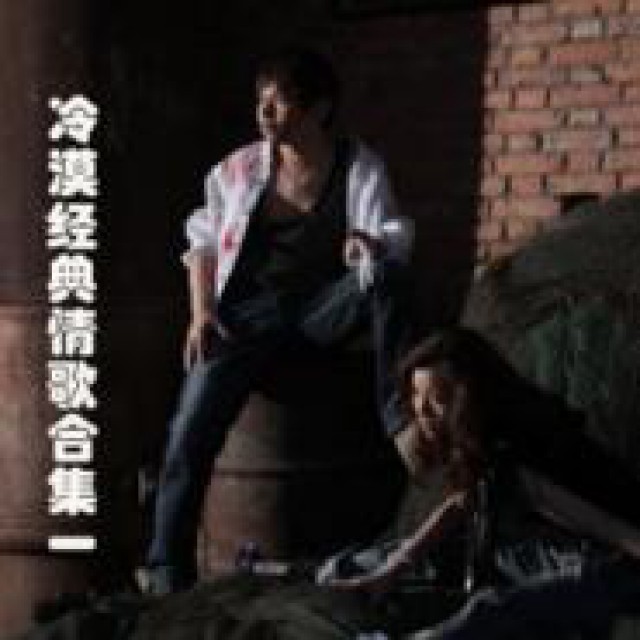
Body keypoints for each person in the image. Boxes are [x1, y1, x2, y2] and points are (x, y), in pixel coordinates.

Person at [141, 47, 414, 595]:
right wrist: (201, 312)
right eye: (260, 100)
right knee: (188, 433)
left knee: (388, 276)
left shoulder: (358, 166)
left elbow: (392, 236)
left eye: (280, 100)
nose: (265, 112)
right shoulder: (238, 169)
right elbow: (200, 241)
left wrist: (366, 244)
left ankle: (398, 415)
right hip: (244, 319)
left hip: (321, 313)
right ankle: (166, 568)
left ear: (319, 109)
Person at [325, 327, 640, 639]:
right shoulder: (483, 444)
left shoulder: (526, 453)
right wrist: (391, 569)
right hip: (528, 551)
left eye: (437, 399)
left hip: (602, 565)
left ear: (469, 398)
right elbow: (461, 503)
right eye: (416, 395)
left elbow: (609, 529)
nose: (421, 410)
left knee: (487, 610)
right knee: (346, 567)